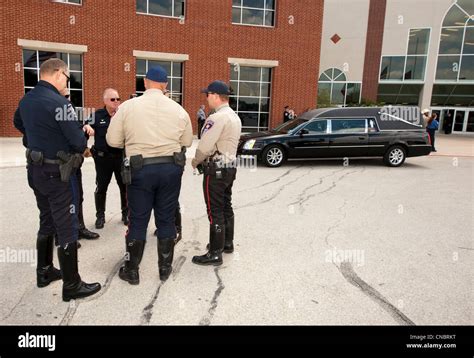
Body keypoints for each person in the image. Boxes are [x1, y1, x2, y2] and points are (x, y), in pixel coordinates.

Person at [13, 58, 101, 302]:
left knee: (46, 219)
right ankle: (72, 285)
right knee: (66, 226)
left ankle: (44, 271)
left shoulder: (27, 99)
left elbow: (18, 122)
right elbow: (78, 142)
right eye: (67, 77)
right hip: (57, 173)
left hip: (36, 170)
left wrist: (40, 137)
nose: (68, 82)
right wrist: (80, 133)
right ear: (58, 74)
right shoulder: (61, 104)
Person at [106, 66, 193, 284]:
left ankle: (132, 270)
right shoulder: (178, 109)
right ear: (165, 85)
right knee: (165, 219)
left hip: (140, 170)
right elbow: (187, 142)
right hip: (170, 169)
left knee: (138, 220)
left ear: (145, 82)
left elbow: (113, 141)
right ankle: (165, 269)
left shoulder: (127, 107)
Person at [191, 80, 242, 266]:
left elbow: (204, 146)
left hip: (216, 169)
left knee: (215, 211)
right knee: (226, 206)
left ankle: (214, 253)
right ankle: (226, 243)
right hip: (229, 167)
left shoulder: (217, 117)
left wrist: (195, 161)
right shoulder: (234, 116)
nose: (206, 98)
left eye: (208, 94)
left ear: (215, 96)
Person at [61, 88, 99, 242]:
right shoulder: (54, 109)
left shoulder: (69, 109)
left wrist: (84, 126)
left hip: (75, 163)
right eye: (65, 95)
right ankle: (65, 235)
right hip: (62, 163)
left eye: (68, 96)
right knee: (66, 200)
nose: (68, 99)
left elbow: (75, 129)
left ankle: (79, 228)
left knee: (78, 197)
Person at [87, 88, 128, 229]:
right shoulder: (97, 115)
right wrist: (87, 127)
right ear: (105, 101)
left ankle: (126, 214)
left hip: (120, 158)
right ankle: (100, 216)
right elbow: (82, 126)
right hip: (103, 160)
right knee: (101, 187)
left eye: (118, 99)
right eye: (113, 99)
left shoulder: (123, 115)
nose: (116, 101)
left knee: (124, 187)